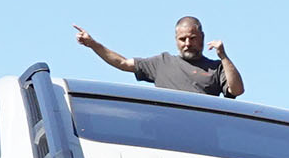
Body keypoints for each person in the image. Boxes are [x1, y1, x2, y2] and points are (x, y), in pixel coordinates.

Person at [73, 16, 245, 98]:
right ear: (175, 40)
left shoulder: (216, 67)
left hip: (203, 135)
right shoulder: (162, 63)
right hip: (166, 133)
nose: (187, 43)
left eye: (192, 39)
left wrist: (223, 56)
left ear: (202, 37)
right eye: (182, 39)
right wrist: (93, 44)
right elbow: (123, 63)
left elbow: (236, 90)